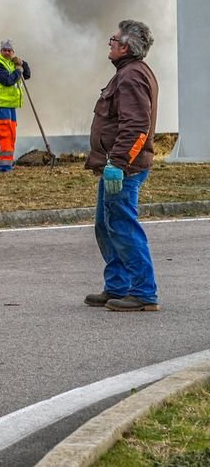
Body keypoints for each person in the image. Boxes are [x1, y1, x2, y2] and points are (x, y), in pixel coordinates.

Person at [84, 20, 160, 312]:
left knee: (122, 226)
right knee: (106, 226)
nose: (110, 43)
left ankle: (144, 293)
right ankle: (118, 285)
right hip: (114, 166)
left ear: (125, 46)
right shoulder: (129, 73)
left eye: (113, 39)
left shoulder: (131, 77)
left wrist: (118, 163)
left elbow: (137, 125)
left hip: (123, 168)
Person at [0, 39, 31, 172]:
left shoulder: (12, 63)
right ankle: (4, 166)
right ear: (1, 51)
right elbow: (8, 81)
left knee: (11, 135)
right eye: (4, 50)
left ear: (13, 52)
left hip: (11, 105)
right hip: (2, 104)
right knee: (5, 134)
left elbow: (28, 75)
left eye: (9, 50)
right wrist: (18, 70)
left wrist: (23, 63)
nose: (7, 52)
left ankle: (7, 163)